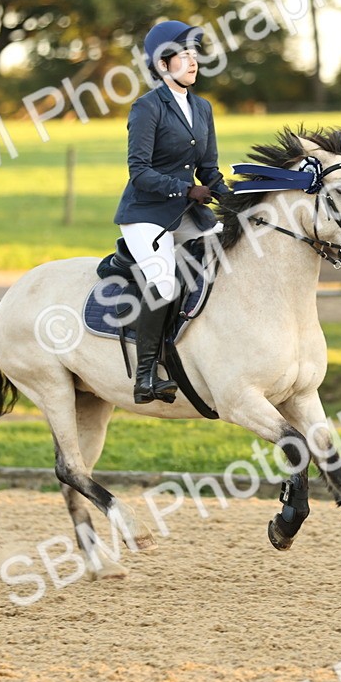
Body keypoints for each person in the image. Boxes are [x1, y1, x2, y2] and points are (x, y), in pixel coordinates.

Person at [114, 20, 230, 405]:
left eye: (195, 55)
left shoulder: (202, 107)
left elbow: (209, 169)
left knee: (225, 262)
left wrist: (232, 198)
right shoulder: (147, 108)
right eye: (183, 55)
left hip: (187, 214)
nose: (193, 62)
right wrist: (186, 189)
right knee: (164, 283)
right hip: (146, 214)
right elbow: (140, 172)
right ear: (163, 65)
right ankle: (146, 375)